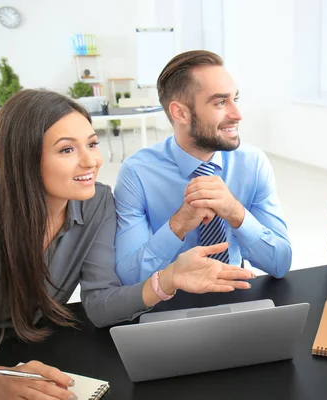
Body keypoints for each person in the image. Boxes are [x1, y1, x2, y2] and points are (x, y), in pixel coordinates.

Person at [0, 89, 254, 400]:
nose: (91, 161)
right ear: (24, 160)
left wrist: (167, 279)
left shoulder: (97, 202)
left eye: (91, 143)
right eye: (66, 150)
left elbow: (100, 304)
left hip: (26, 347)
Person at [114, 50, 291, 285]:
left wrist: (236, 213)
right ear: (180, 113)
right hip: (168, 297)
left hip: (236, 289)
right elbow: (128, 277)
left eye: (234, 99)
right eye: (220, 102)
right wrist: (178, 224)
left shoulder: (252, 164)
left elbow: (280, 263)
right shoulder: (137, 173)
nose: (237, 115)